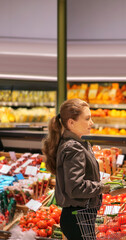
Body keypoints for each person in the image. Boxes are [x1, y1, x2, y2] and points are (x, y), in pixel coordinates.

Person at [42, 98, 110, 240]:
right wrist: (104, 187)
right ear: (71, 123)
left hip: (79, 217)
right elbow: (75, 187)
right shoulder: (74, 147)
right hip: (77, 217)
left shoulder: (78, 143)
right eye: (87, 119)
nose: (92, 123)